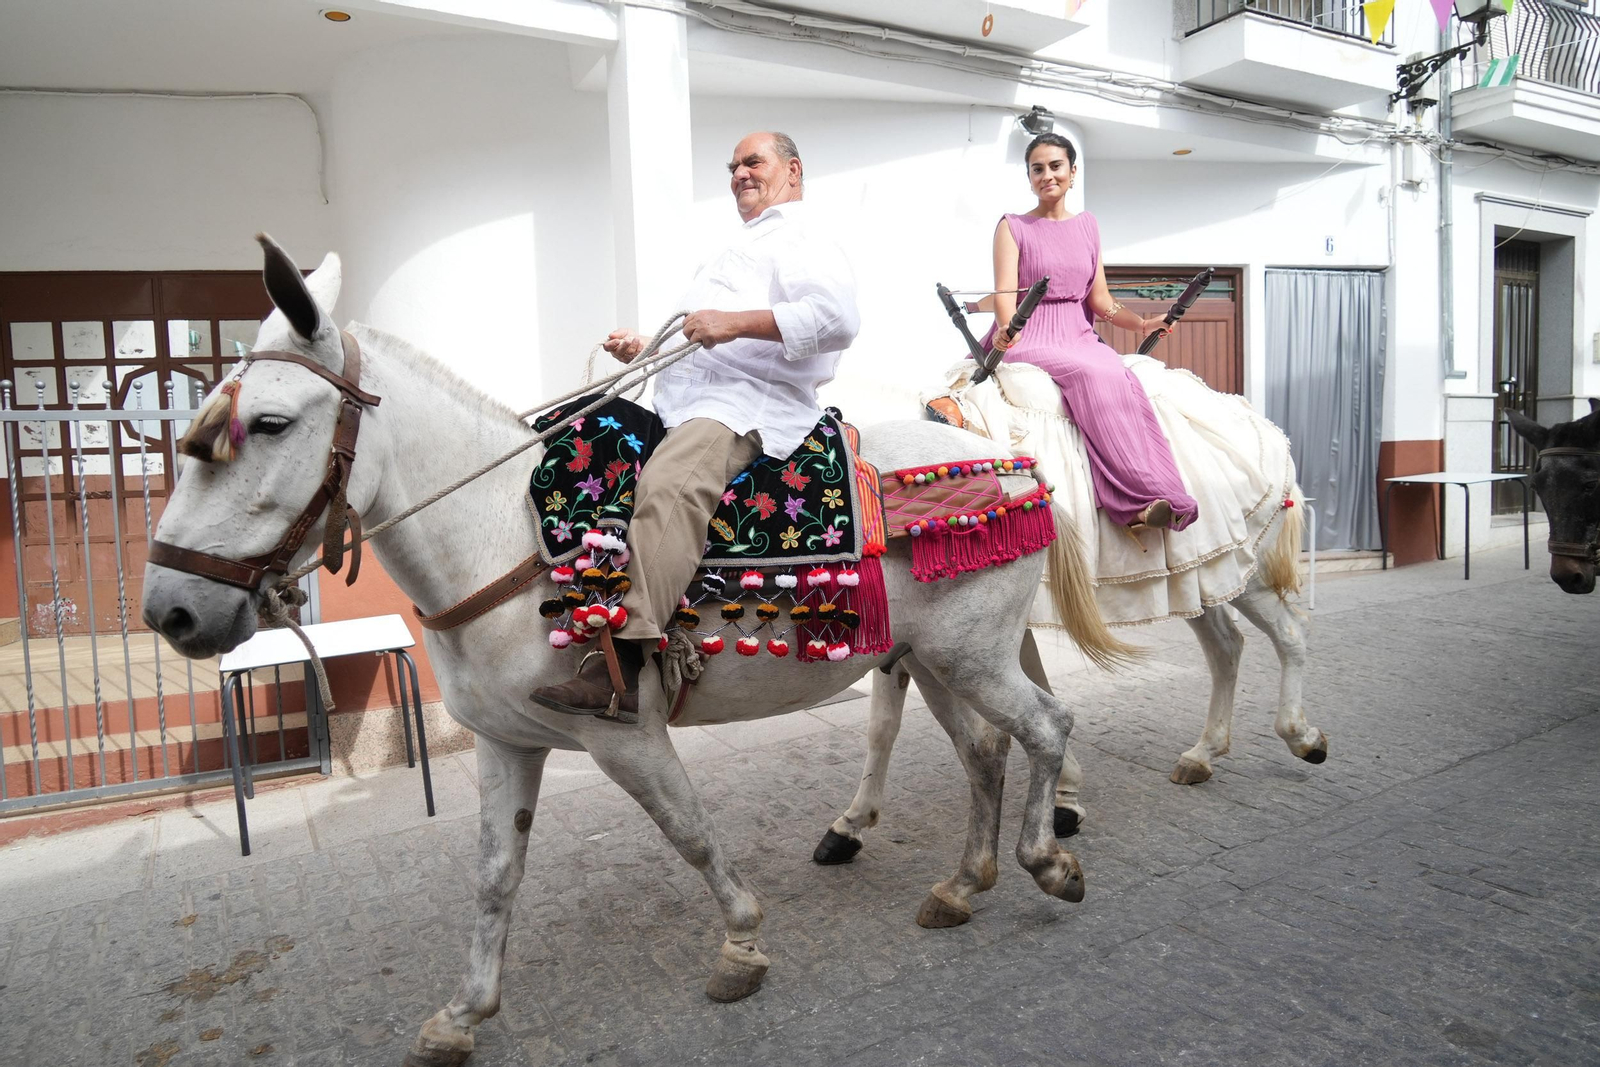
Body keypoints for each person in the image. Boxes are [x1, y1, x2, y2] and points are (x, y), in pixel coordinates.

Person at [531, 131, 860, 723]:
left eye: (752, 161)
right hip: (686, 400)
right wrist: (646, 350)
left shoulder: (804, 234)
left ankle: (623, 668)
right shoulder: (738, 245)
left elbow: (836, 320)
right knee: (581, 440)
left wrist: (732, 323)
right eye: (732, 165)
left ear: (793, 168)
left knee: (668, 489)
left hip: (746, 405)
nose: (739, 173)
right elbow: (707, 338)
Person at [985, 132, 1198, 534]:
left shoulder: (1088, 226)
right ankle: (1132, 499)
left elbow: (1100, 299)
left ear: (1072, 171)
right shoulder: (1012, 226)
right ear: (1029, 177)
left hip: (1078, 334)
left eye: (1055, 166)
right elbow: (1004, 295)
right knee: (1092, 374)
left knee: (1124, 376)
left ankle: (1163, 491)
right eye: (1037, 169)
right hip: (1029, 334)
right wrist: (1005, 330)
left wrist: (1141, 323)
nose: (1047, 175)